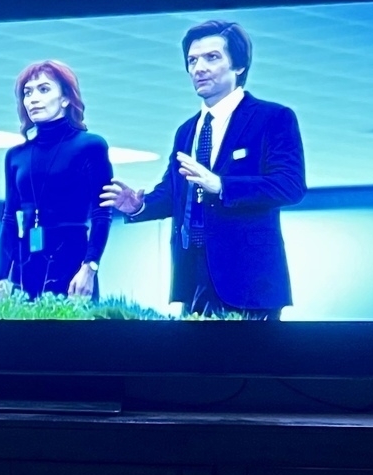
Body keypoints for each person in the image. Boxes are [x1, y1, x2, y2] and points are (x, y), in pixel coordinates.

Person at [100, 20, 307, 318]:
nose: (199, 68)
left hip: (250, 282)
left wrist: (221, 185)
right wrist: (138, 206)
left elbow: (290, 185)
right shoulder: (186, 131)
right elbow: (174, 193)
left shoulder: (272, 118)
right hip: (193, 274)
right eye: (192, 60)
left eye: (212, 58)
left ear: (239, 67)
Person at [0, 61, 113, 301]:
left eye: (44, 89)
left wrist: (90, 267)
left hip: (72, 263)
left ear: (66, 98)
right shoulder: (15, 156)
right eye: (27, 92)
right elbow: (9, 218)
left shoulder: (89, 146)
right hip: (25, 265)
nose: (33, 99)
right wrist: (0, 277)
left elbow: (102, 213)